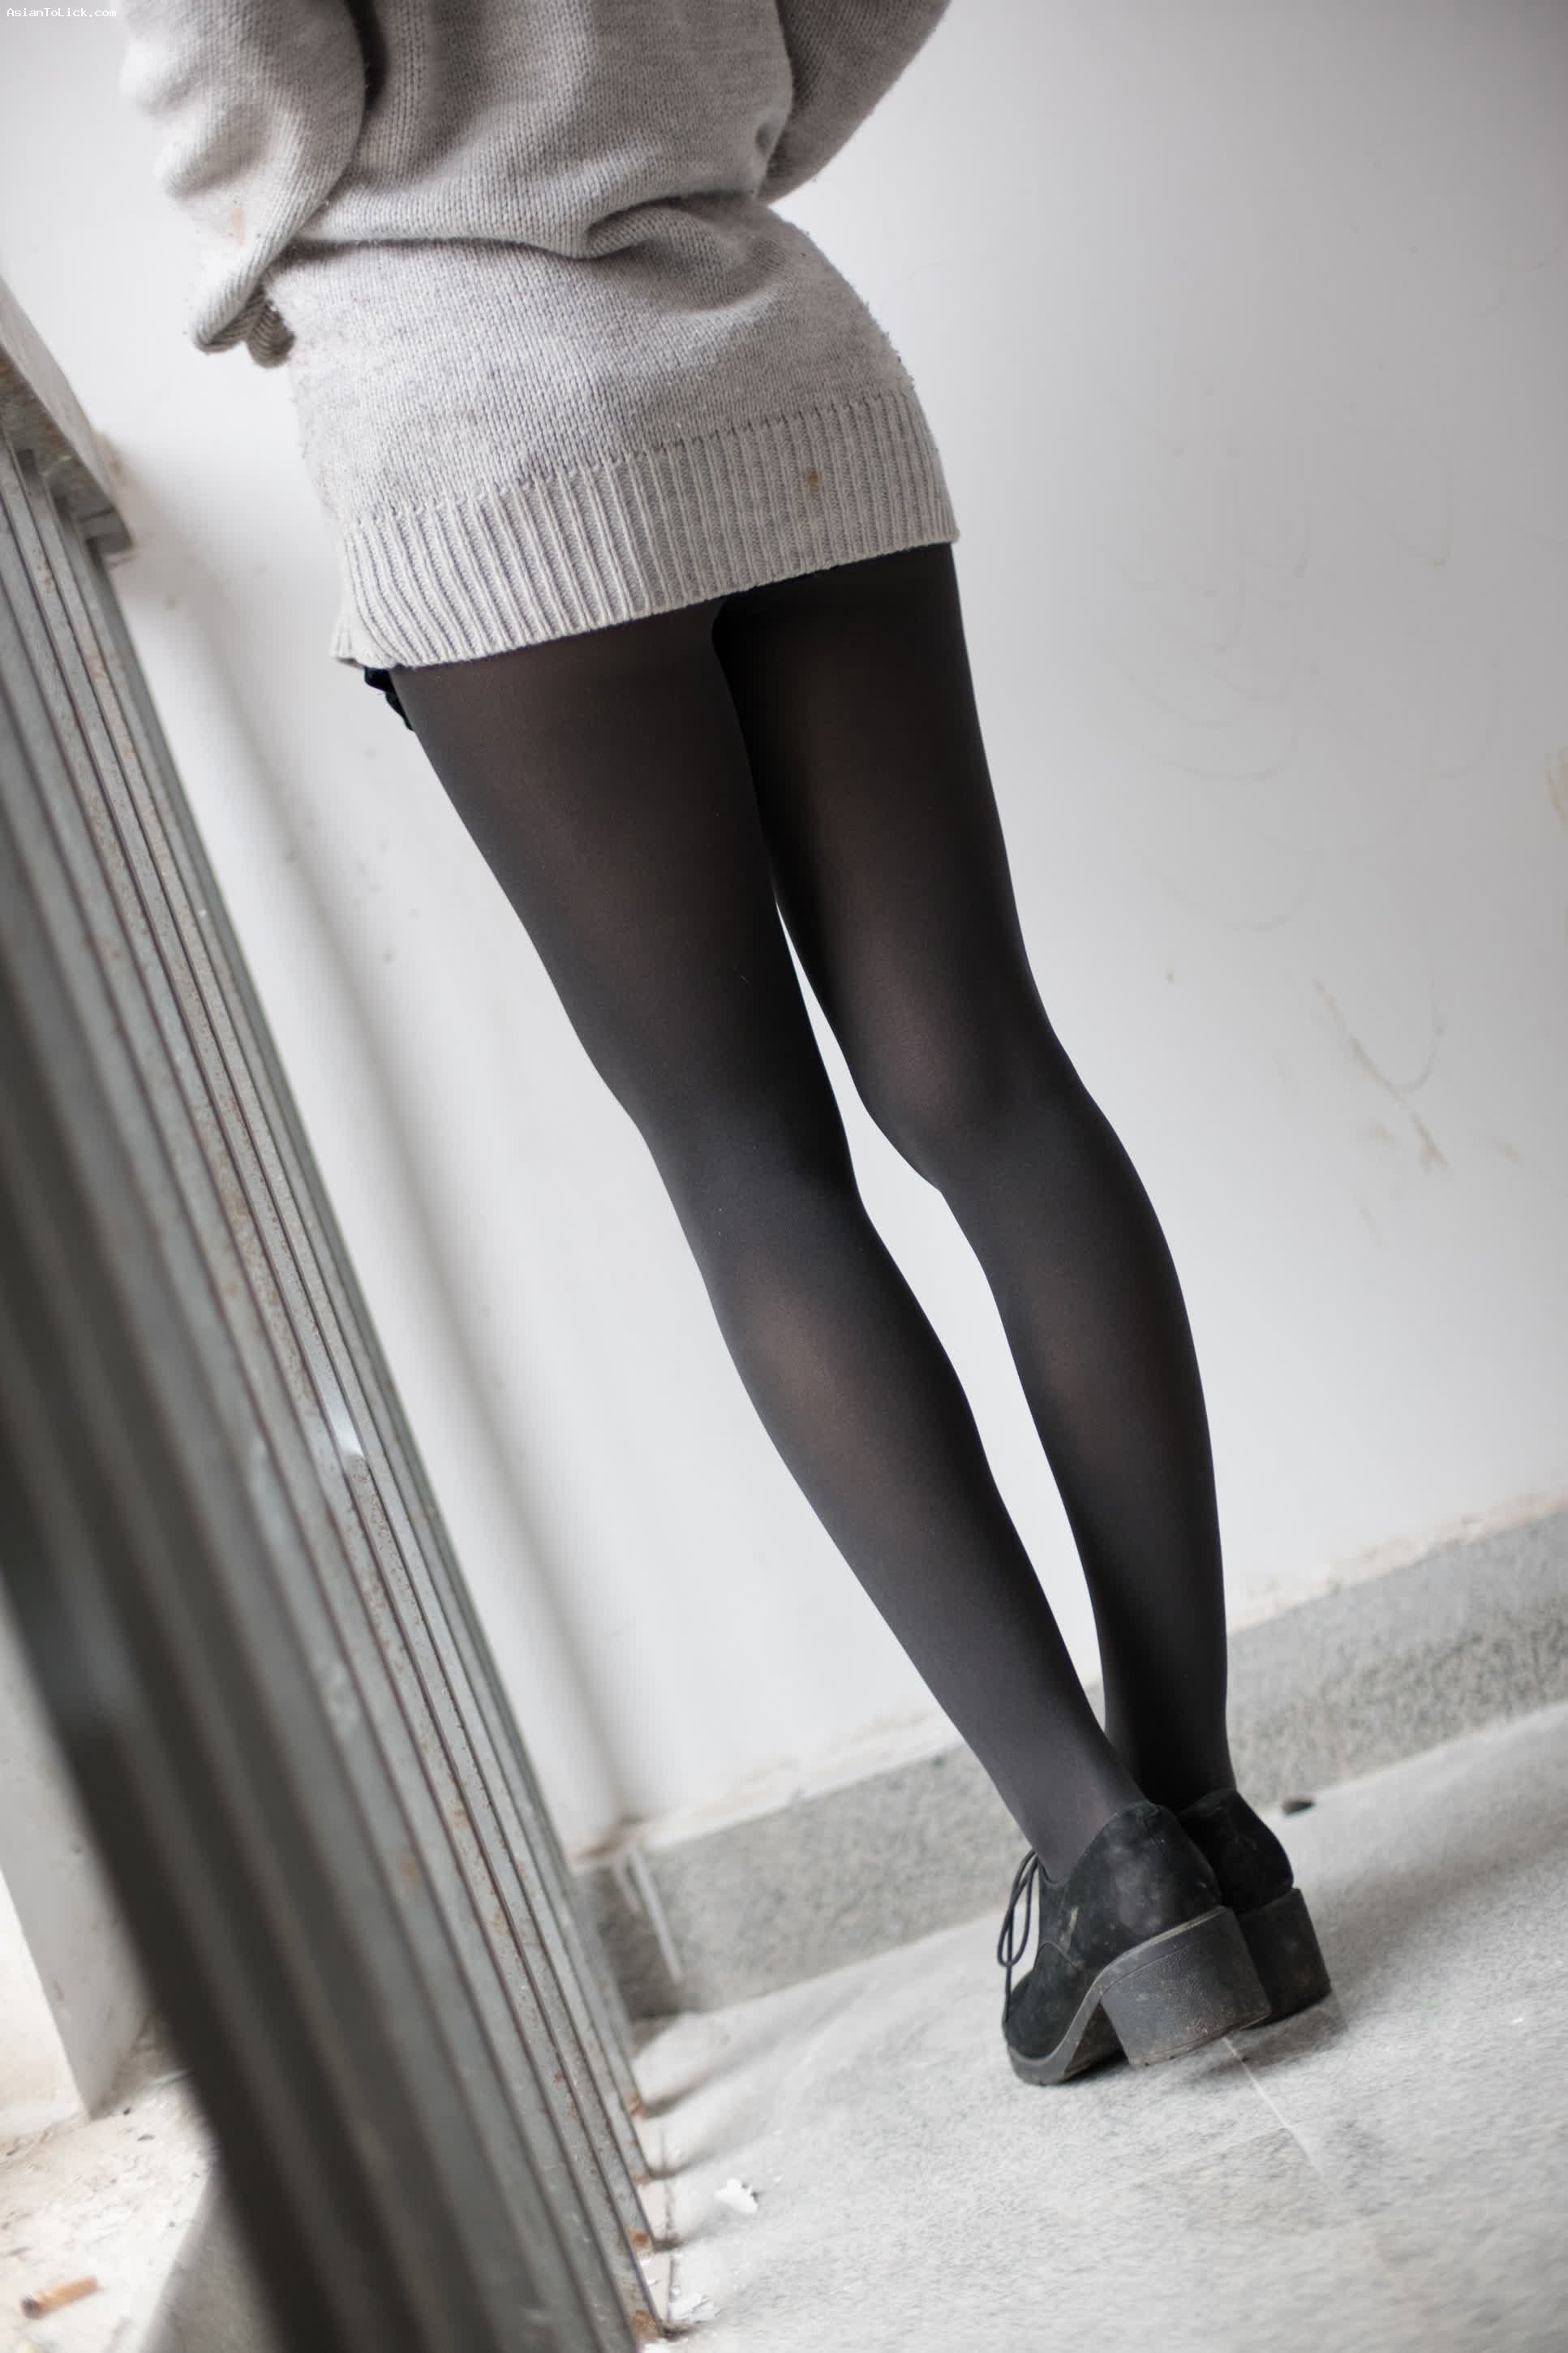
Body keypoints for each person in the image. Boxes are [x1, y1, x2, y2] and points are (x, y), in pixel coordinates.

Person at [120, 0, 1330, 2085]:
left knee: (745, 1158)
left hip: (468, 404)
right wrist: (705, 135)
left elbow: (235, 40)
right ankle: (1205, 1822)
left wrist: (276, 241)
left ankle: (1099, 1856)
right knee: (993, 1085)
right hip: (776, 358)